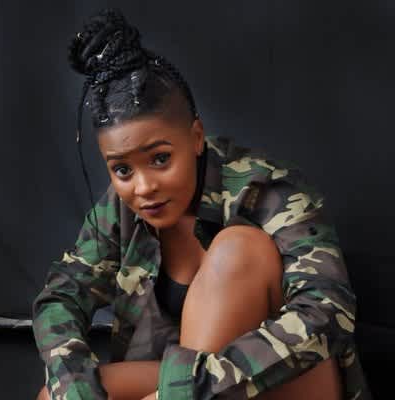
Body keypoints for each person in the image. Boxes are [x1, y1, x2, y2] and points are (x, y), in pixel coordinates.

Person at [32, 8, 372, 400]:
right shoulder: (120, 208)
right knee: (56, 395)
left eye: (161, 159)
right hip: (187, 384)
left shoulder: (269, 191)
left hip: (275, 383)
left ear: (196, 137)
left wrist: (184, 392)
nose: (144, 186)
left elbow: (327, 312)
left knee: (237, 249)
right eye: (122, 169)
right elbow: (62, 296)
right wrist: (72, 380)